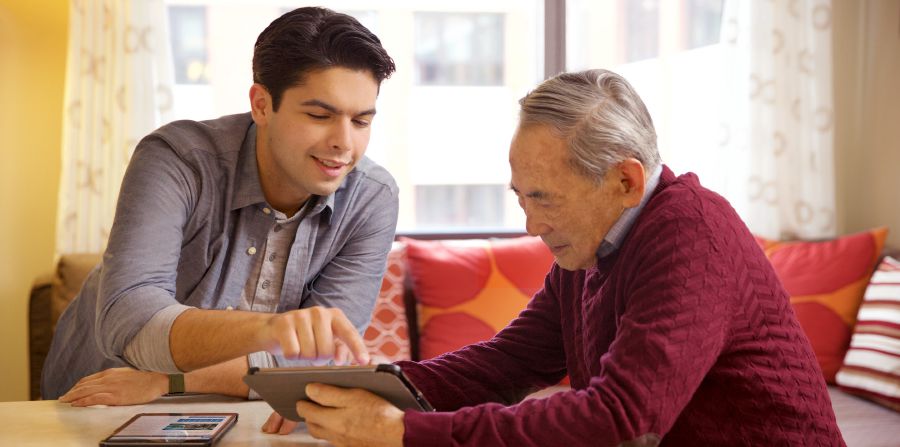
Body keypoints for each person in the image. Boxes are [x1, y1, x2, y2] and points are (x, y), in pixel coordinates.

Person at [267, 69, 845, 446]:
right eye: (521, 197)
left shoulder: (692, 234)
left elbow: (623, 421)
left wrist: (406, 433)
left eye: (544, 199)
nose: (530, 225)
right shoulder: (593, 248)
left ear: (624, 179)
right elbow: (505, 364)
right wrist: (362, 388)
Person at [42, 7, 399, 405]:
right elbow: (130, 321)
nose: (344, 143)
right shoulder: (177, 159)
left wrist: (172, 382)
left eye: (361, 122)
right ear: (261, 105)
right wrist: (272, 330)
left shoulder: (372, 198)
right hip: (99, 402)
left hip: (242, 412)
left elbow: (320, 361)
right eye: (319, 115)